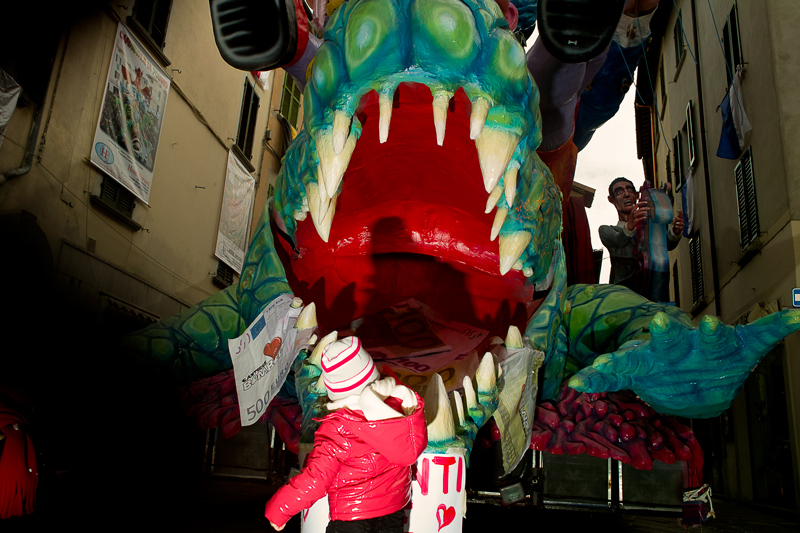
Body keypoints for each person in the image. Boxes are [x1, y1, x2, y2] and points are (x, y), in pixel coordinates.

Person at [264, 336, 428, 532]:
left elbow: (316, 479)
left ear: (334, 388)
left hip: (351, 518)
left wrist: (280, 508)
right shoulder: (399, 406)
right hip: (393, 512)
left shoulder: (337, 429)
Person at [599, 177, 684, 292]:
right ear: (611, 199)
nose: (626, 194)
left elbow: (666, 244)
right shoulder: (606, 230)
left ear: (636, 195)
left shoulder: (648, 229)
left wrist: (675, 231)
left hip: (650, 292)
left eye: (629, 190)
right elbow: (618, 240)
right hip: (623, 294)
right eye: (619, 192)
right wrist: (630, 226)